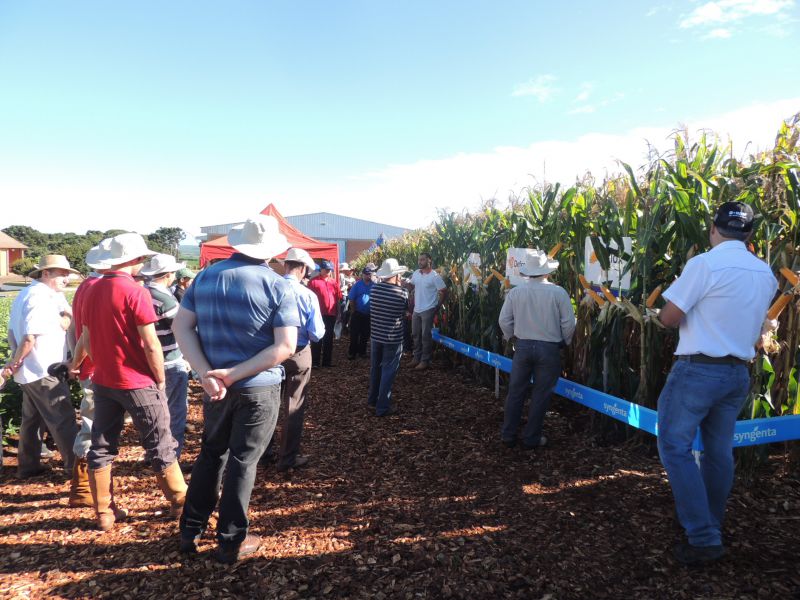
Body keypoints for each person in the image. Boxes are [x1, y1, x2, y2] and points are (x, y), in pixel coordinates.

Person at [654, 202, 776, 566]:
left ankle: (704, 537)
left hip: (697, 371)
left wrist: (662, 315)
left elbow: (670, 317)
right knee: (718, 452)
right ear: (749, 234)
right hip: (737, 373)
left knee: (674, 448)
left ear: (713, 229)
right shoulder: (764, 272)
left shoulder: (704, 264)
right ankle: (711, 521)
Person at [173, 215, 299, 564]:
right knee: (243, 462)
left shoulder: (205, 277)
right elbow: (285, 347)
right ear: (270, 250)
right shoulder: (278, 286)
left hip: (215, 387)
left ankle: (190, 530)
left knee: (211, 455)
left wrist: (206, 373)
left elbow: (181, 327)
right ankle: (231, 540)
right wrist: (234, 374)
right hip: (257, 388)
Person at [70, 233, 187, 531]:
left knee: (102, 444)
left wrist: (94, 364)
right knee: (160, 443)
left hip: (104, 380)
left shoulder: (92, 289)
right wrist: (159, 378)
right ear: (135, 261)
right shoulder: (135, 292)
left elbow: (86, 337)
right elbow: (150, 344)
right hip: (136, 381)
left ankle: (104, 512)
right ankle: (180, 503)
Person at [5, 255, 79, 478]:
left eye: (67, 274)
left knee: (32, 420)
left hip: (31, 371)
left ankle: (28, 467)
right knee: (63, 420)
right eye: (61, 274)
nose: (66, 279)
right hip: (43, 369)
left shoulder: (32, 293)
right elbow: (29, 338)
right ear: (45, 273)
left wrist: (16, 365)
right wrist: (12, 365)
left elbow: (11, 333)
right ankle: (75, 471)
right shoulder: (40, 298)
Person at [498, 250, 575, 450]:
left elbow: (503, 320)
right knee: (541, 395)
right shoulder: (559, 292)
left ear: (527, 273)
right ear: (546, 272)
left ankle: (508, 435)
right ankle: (531, 438)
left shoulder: (516, 292)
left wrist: (512, 337)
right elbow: (568, 323)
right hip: (549, 349)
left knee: (515, 392)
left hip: (522, 347)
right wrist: (566, 342)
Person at [269, 247, 325, 471]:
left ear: (286, 265)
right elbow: (317, 333)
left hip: (270, 352)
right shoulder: (308, 295)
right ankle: (287, 458)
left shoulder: (270, 289)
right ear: (302, 269)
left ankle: (263, 453)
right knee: (294, 405)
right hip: (299, 352)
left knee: (269, 403)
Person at [67, 243, 111, 507]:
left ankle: (84, 489)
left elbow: (74, 327)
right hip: (98, 367)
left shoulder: (85, 286)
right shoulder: (98, 288)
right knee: (93, 426)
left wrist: (76, 361)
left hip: (89, 366)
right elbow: (87, 332)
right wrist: (82, 361)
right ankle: (85, 491)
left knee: (93, 424)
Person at [141, 253, 191, 459]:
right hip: (169, 359)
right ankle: (171, 458)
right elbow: (182, 328)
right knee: (175, 412)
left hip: (149, 360)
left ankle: (153, 453)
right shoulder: (164, 299)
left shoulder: (143, 292)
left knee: (156, 411)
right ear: (169, 274)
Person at [368, 259, 409, 416]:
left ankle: (372, 400)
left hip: (376, 335)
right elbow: (406, 311)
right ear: (396, 275)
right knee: (388, 371)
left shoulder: (374, 290)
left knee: (375, 369)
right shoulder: (402, 293)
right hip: (393, 338)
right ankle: (382, 407)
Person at [407, 253, 447, 370]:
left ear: (429, 260)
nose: (420, 262)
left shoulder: (435, 276)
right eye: (419, 259)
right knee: (415, 334)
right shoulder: (416, 273)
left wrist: (437, 307)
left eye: (423, 259)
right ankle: (416, 358)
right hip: (417, 309)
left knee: (425, 336)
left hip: (428, 309)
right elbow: (412, 286)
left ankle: (425, 361)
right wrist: (407, 285)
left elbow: (444, 291)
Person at [307, 260, 341, 368]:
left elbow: (338, 299)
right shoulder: (313, 282)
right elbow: (309, 299)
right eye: (326, 269)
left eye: (329, 270)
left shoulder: (334, 282)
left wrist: (339, 313)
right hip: (318, 314)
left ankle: (327, 361)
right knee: (317, 337)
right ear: (320, 269)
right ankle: (315, 362)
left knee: (329, 337)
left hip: (331, 314)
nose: (328, 271)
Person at [347, 266, 374, 359]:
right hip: (358, 313)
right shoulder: (357, 285)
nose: (368, 276)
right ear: (363, 274)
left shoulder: (374, 285)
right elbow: (351, 299)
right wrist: (354, 311)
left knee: (365, 334)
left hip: (369, 314)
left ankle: (362, 352)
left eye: (370, 274)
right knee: (354, 334)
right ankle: (352, 352)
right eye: (366, 274)